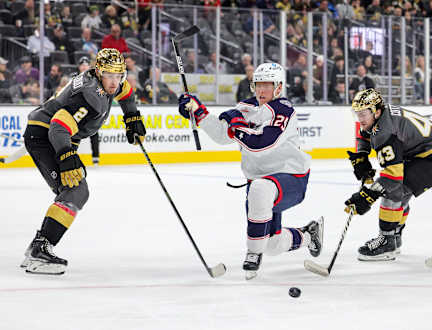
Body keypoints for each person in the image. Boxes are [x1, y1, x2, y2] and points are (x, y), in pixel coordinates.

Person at [177, 63, 323, 280]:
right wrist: (198, 113)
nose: (261, 90)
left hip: (291, 178)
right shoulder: (246, 107)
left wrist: (235, 126)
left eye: (267, 85)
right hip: (261, 180)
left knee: (261, 189)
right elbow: (222, 135)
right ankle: (309, 235)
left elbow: (261, 143)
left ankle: (253, 255)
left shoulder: (284, 110)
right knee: (271, 244)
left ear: (279, 87)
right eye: (258, 85)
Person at [20, 48, 146, 275]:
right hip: (46, 136)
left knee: (74, 190)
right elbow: (59, 126)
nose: (114, 82)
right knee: (76, 189)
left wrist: (132, 117)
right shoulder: (91, 95)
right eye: (109, 75)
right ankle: (39, 249)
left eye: (119, 75)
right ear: (99, 72)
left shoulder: (106, 81)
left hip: (54, 134)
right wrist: (67, 157)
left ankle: (39, 247)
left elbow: (126, 92)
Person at [345, 89, 432, 261]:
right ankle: (394, 237)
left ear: (376, 112)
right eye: (357, 114)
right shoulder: (379, 116)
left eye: (363, 114)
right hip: (431, 150)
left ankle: (387, 241)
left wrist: (367, 195)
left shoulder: (385, 131)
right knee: (400, 191)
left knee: (394, 190)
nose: (360, 119)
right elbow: (365, 134)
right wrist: (362, 156)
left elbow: (392, 177)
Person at [76, 56, 100, 165]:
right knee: (74, 133)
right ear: (79, 67)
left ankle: (96, 157)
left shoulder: (94, 78)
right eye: (82, 65)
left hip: (91, 109)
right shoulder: (75, 78)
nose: (84, 67)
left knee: (94, 132)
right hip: (76, 110)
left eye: (86, 65)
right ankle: (70, 155)